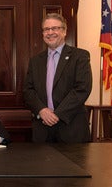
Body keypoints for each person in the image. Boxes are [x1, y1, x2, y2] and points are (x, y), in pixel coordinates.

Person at [23, 13, 92, 143]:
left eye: (55, 28)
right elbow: (28, 90)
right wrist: (42, 110)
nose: (50, 32)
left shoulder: (80, 56)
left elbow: (82, 89)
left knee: (73, 164)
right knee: (41, 164)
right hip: (42, 128)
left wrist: (57, 115)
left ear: (64, 31)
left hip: (71, 127)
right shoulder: (35, 61)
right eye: (46, 29)